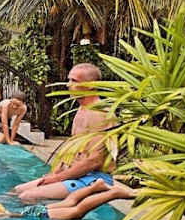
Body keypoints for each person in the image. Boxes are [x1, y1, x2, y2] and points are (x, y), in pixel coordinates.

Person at [12, 63, 114, 202]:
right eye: (69, 80)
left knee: (27, 196)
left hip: (94, 179)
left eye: (74, 81)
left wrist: (58, 178)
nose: (68, 85)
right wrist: (54, 174)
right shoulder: (81, 110)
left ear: (90, 85)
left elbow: (95, 161)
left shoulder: (100, 113)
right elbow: (71, 152)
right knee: (17, 190)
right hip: (75, 174)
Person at [0, 178, 134, 220]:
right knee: (69, 202)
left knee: (76, 211)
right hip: (28, 213)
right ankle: (96, 187)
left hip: (32, 216)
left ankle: (112, 193)